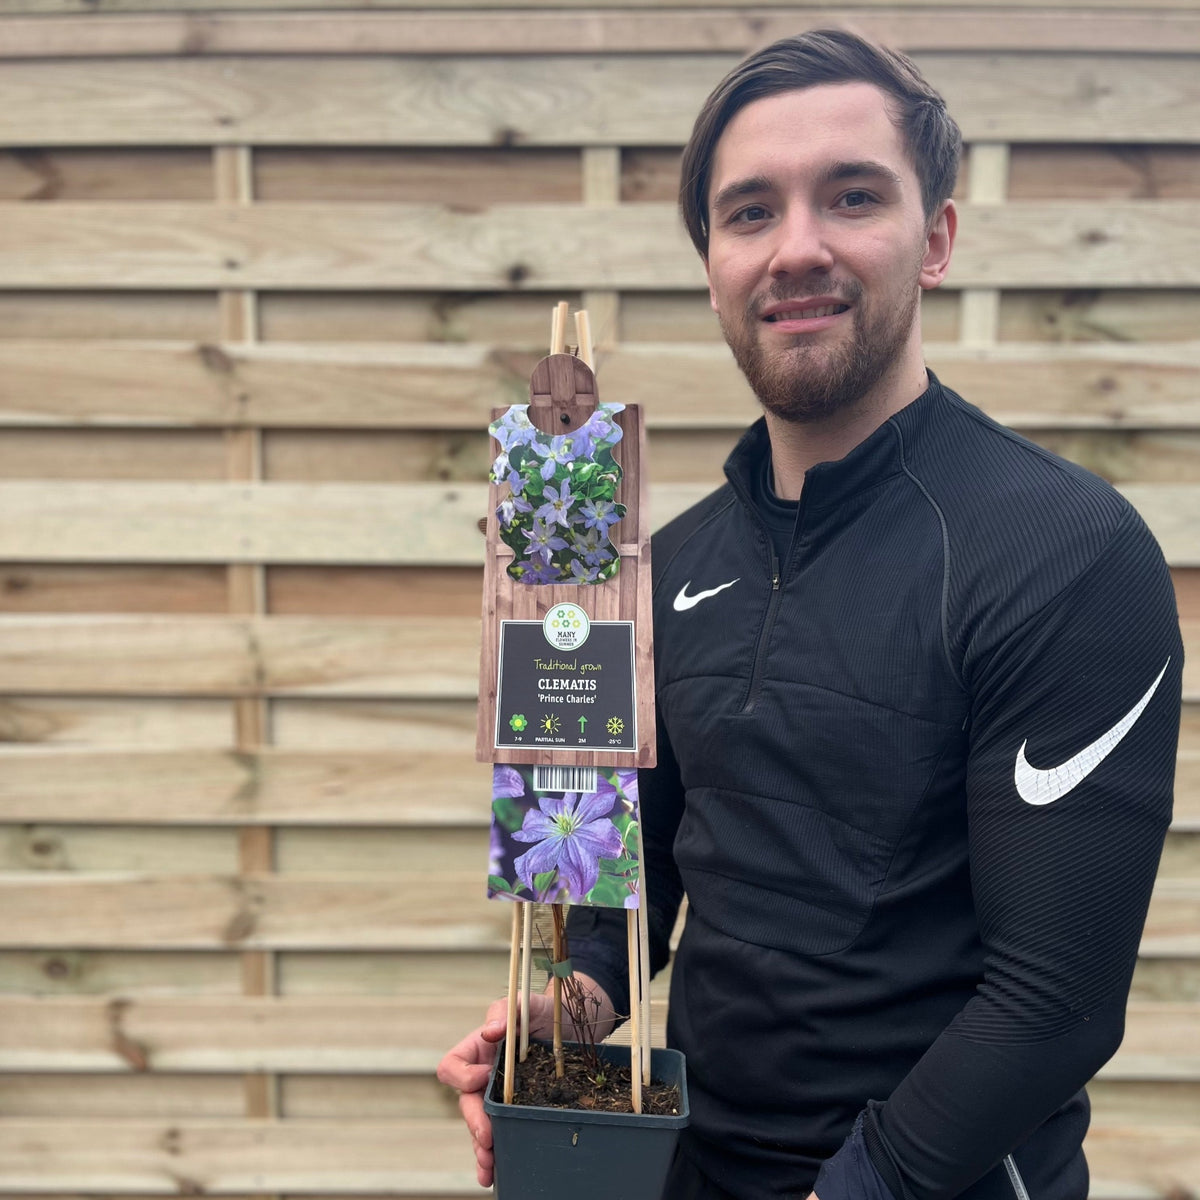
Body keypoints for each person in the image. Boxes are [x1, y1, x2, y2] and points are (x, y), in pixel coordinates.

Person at [438, 29, 1184, 1200]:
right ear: (712, 263)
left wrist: (859, 1187)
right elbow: (634, 909)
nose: (797, 248)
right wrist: (560, 1024)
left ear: (935, 236)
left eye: (850, 197)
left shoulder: (1062, 553)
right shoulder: (669, 564)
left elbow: (1057, 1003)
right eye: (749, 213)